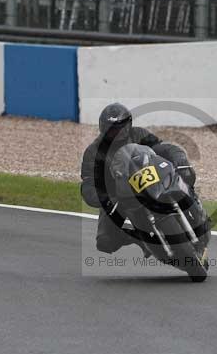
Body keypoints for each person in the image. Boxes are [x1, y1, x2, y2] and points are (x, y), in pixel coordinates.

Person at [80, 102, 196, 254]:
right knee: (104, 242)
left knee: (182, 174)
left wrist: (179, 158)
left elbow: (161, 148)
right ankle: (137, 237)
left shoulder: (139, 134)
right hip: (119, 195)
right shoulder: (94, 151)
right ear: (102, 127)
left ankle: (193, 205)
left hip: (152, 179)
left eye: (120, 127)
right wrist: (101, 197)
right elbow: (89, 181)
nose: (116, 132)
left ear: (129, 125)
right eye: (111, 128)